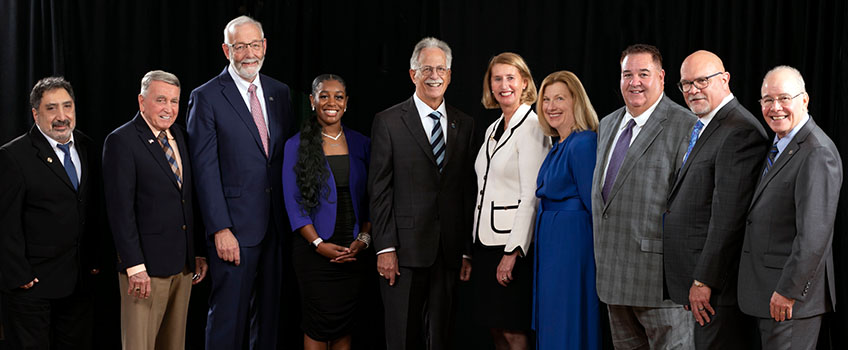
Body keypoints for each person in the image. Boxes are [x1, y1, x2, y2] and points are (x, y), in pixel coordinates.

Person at [187, 15, 295, 349]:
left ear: (264, 46)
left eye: (254, 44)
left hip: (275, 226)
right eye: (239, 46)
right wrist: (220, 229)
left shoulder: (280, 92)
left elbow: (284, 158)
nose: (249, 53)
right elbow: (203, 170)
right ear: (226, 50)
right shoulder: (206, 96)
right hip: (233, 231)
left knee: (268, 320)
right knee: (227, 321)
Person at [369, 37, 476, 349]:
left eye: (441, 68)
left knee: (442, 337)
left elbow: (467, 190)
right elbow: (379, 189)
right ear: (413, 74)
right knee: (403, 337)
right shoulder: (388, 121)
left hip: (449, 251)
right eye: (426, 68)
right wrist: (385, 247)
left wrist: (466, 249)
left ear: (450, 74)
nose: (435, 75)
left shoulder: (464, 124)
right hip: (403, 252)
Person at [590, 44, 697, 349]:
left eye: (643, 74)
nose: (634, 81)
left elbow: (690, 210)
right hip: (613, 281)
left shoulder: (685, 125)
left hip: (661, 286)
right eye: (627, 74)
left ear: (661, 78)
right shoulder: (608, 124)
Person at [662, 51, 767, 349]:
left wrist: (703, 281)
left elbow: (728, 218)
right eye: (686, 84)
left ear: (725, 79)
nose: (693, 90)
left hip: (718, 290)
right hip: (702, 285)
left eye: (701, 81)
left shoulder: (739, 131)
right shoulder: (707, 125)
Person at [102, 70, 208, 349]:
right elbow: (119, 211)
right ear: (141, 101)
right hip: (144, 271)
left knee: (174, 345)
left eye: (174, 101)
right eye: (161, 100)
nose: (169, 108)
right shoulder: (121, 141)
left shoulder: (181, 137)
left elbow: (188, 201)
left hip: (182, 268)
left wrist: (196, 251)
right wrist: (135, 267)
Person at [738, 66, 842, 350]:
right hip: (765, 293)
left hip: (788, 300)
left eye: (784, 98)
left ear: (804, 100)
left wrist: (788, 291)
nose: (775, 108)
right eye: (767, 100)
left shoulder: (817, 152)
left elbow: (813, 237)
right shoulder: (779, 144)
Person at [0, 77, 105, 348]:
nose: (61, 116)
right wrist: (19, 276)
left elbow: (92, 209)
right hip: (33, 287)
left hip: (79, 284)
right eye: (51, 108)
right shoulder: (13, 156)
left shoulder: (87, 147)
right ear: (36, 114)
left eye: (67, 106)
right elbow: (5, 223)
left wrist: (94, 261)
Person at [282, 74, 371, 350]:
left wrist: (364, 240)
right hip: (314, 251)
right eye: (324, 96)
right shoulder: (295, 145)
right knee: (318, 326)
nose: (331, 102)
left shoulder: (362, 143)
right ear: (312, 101)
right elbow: (293, 203)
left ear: (346, 103)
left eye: (338, 96)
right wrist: (318, 244)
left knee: (345, 325)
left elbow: (372, 198)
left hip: (353, 248)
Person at [472, 52, 548, 349]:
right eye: (497, 78)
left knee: (514, 330)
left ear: (525, 83)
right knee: (496, 328)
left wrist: (513, 251)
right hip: (485, 243)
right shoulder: (493, 128)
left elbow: (532, 193)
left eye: (510, 78)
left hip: (510, 245)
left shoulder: (532, 125)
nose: (504, 85)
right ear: (490, 85)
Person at [533, 71, 600, 349]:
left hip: (572, 247)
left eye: (559, 98)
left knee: (567, 319)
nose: (551, 106)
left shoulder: (583, 143)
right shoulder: (557, 145)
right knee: (553, 318)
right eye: (546, 99)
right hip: (552, 243)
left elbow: (594, 205)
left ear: (576, 101)